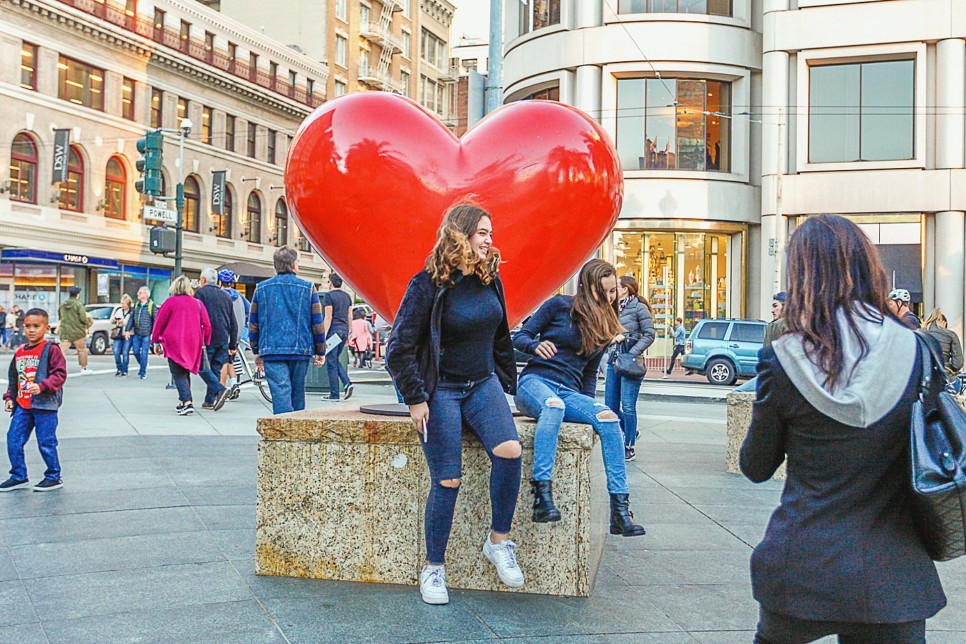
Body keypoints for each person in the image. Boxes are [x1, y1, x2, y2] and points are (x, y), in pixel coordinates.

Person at [740, 215, 945, 643]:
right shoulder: (918, 351)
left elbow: (756, 466)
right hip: (896, 577)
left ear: (801, 275)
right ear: (866, 267)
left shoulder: (782, 359)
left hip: (801, 568)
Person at [386, 204, 524, 606]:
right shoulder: (427, 284)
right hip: (441, 389)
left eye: (490, 233)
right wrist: (415, 398)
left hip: (483, 384)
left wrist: (508, 387)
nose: (489, 240)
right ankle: (433, 568)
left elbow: (500, 337)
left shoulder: (489, 279)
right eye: (482, 232)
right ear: (460, 234)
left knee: (510, 452)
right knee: (448, 479)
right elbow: (399, 348)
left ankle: (499, 541)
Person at [513, 259, 646, 537]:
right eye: (604, 291)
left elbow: (588, 375)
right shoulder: (558, 306)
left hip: (569, 393)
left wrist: (589, 411)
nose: (609, 297)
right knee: (554, 406)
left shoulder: (606, 324)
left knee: (610, 420)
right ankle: (542, 495)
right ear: (586, 286)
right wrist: (535, 346)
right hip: (535, 384)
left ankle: (620, 512)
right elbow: (519, 337)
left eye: (613, 292)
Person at [249, 247, 326, 415]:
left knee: (280, 393)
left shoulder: (261, 289)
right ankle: (296, 431)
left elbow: (253, 323)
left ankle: (283, 430)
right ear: (293, 265)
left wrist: (256, 350)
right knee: (298, 393)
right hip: (300, 349)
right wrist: (321, 350)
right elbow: (317, 323)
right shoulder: (308, 288)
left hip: (271, 350)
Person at [1, 308, 66, 491]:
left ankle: (53, 476)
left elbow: (59, 375)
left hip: (44, 405)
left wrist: (42, 386)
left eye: (36, 326)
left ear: (46, 328)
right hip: (23, 405)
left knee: (46, 442)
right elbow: (15, 378)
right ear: (22, 327)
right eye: (28, 326)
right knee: (13, 439)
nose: (31, 330)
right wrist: (9, 397)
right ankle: (19, 476)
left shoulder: (51, 349)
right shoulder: (20, 352)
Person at [151, 276, 222, 416]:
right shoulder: (198, 303)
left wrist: (155, 341)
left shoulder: (170, 302)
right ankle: (184, 401)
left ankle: (187, 401)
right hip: (194, 342)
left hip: (174, 343)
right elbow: (207, 325)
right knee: (185, 371)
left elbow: (159, 323)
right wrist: (206, 341)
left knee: (178, 373)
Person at [604, 275, 655, 462]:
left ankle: (629, 446)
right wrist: (611, 340)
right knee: (610, 407)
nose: (613, 290)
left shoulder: (639, 308)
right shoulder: (613, 307)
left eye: (616, 286)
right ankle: (631, 430)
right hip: (614, 361)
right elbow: (606, 332)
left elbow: (649, 334)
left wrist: (631, 350)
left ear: (625, 289)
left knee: (627, 405)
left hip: (631, 362)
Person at [194, 268, 236, 411]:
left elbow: (197, 316)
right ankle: (209, 400)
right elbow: (233, 322)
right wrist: (233, 344)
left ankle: (219, 389)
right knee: (216, 368)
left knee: (202, 366)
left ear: (204, 280)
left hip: (208, 336)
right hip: (223, 337)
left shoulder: (200, 293)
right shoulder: (225, 296)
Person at [217, 269, 251, 398]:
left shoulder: (220, 295)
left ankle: (223, 388)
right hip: (241, 331)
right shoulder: (239, 296)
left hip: (226, 332)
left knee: (224, 360)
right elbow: (250, 310)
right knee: (235, 357)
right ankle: (235, 383)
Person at [322, 273, 353, 401]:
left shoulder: (329, 296)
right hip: (344, 331)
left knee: (331, 361)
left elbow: (328, 317)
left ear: (331, 282)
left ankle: (335, 393)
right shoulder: (347, 296)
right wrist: (349, 333)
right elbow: (350, 316)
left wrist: (323, 336)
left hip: (333, 332)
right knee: (334, 359)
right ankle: (346, 383)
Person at [923, 307, 964, 384]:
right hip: (946, 378)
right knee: (957, 383)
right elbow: (958, 364)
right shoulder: (950, 335)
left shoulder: (919, 333)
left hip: (924, 378)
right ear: (944, 323)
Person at [57, 287, 92, 375]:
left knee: (62, 351)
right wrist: (88, 323)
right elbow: (83, 318)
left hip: (65, 331)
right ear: (77, 294)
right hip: (78, 331)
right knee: (81, 350)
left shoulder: (63, 305)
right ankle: (83, 368)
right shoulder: (78, 305)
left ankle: (58, 368)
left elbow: (60, 316)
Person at [126, 286, 157, 380]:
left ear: (145, 295)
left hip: (146, 334)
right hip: (137, 333)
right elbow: (132, 318)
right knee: (135, 351)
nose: (137, 294)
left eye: (140, 293)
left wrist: (154, 333)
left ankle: (142, 372)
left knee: (144, 353)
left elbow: (156, 320)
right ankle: (143, 364)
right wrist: (127, 330)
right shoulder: (136, 305)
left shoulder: (151, 306)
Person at [111, 294, 133, 377]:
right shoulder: (119, 310)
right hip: (118, 333)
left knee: (125, 352)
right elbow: (112, 321)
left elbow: (131, 323)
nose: (122, 305)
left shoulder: (132, 312)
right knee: (116, 351)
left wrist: (123, 322)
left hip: (128, 334)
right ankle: (119, 368)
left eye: (124, 304)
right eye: (122, 303)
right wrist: (114, 320)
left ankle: (125, 369)